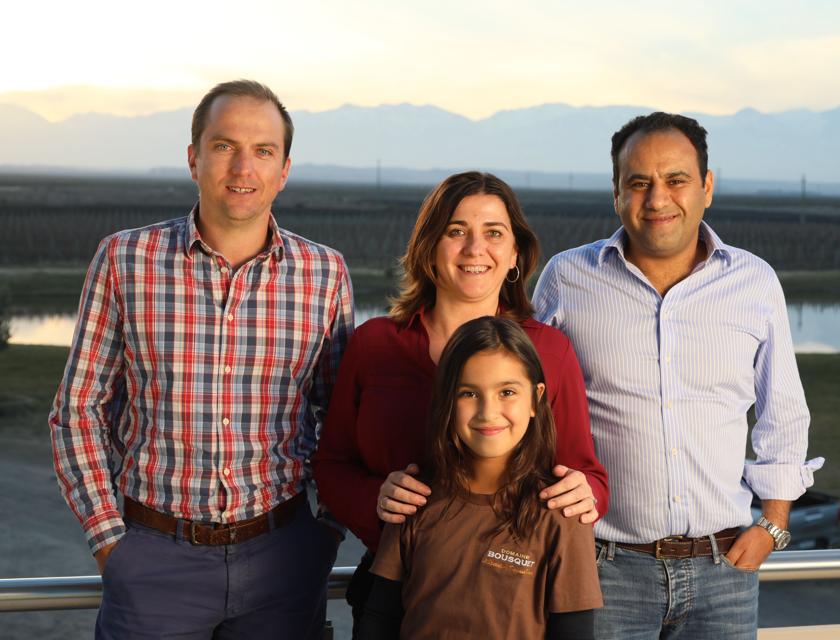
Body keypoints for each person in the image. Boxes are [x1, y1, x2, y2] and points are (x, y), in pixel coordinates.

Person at [49, 80, 353, 639]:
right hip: (152, 560)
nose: (243, 167)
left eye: (263, 151)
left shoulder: (325, 274)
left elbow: (339, 418)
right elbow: (78, 411)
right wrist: (109, 543)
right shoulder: (124, 260)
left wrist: (325, 533)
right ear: (193, 158)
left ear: (284, 169)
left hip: (285, 560)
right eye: (223, 146)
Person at [533, 112, 824, 639]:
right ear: (616, 193)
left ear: (707, 187)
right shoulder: (567, 278)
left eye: (676, 180)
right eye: (639, 183)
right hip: (605, 570)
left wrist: (773, 525)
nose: (657, 199)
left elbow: (783, 412)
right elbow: (530, 412)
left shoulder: (754, 282)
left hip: (725, 572)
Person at [313, 171, 608, 634]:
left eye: (493, 233)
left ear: (515, 254)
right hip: (392, 591)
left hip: (511, 596)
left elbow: (586, 475)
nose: (475, 249)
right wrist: (378, 502)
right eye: (456, 231)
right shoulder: (375, 345)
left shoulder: (549, 351)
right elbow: (331, 464)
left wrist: (585, 493)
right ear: (429, 247)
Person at [357, 316, 603, 639]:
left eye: (507, 392)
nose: (488, 411)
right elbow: (378, 621)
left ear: (536, 398)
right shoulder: (413, 498)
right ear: (447, 399)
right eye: (469, 394)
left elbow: (575, 633)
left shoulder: (562, 514)